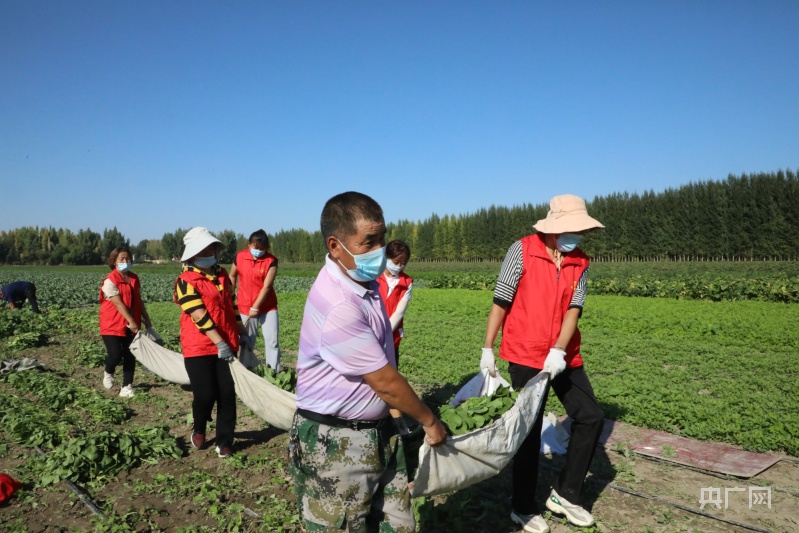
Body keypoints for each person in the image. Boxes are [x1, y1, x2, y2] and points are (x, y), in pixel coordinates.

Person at [289, 191, 447, 533]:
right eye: (368, 242)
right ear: (335, 246)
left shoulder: (364, 281)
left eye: (382, 238)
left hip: (377, 433)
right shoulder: (339, 304)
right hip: (335, 444)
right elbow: (386, 382)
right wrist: (430, 421)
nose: (379, 251)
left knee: (397, 524)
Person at [480, 194, 605, 533]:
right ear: (555, 227)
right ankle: (522, 507)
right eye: (573, 228)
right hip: (524, 352)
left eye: (581, 229)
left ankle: (566, 494)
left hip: (563, 355)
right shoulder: (521, 250)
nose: (577, 236)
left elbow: (574, 309)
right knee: (529, 431)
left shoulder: (580, 262)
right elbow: (502, 298)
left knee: (590, 416)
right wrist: (488, 347)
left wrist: (560, 350)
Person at [174, 227, 245, 459]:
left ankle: (224, 441)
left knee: (227, 394)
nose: (209, 252)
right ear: (193, 255)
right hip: (199, 347)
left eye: (211, 248)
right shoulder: (185, 281)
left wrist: (241, 330)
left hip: (227, 343)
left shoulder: (222, 274)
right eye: (204, 249)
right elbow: (198, 315)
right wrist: (219, 343)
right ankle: (199, 426)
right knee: (205, 394)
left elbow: (231, 304)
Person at [99, 247, 153, 398]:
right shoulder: (110, 281)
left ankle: (127, 386)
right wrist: (131, 320)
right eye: (121, 259)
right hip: (112, 323)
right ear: (114, 262)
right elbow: (118, 303)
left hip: (131, 323)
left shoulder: (134, 278)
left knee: (130, 354)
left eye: (127, 258)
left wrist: (146, 318)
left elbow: (138, 300)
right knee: (115, 355)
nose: (125, 261)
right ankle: (109, 371)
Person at [229, 229, 280, 370]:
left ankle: (273, 372)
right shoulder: (239, 257)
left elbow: (267, 287)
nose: (258, 251)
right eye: (255, 247)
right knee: (246, 341)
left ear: (267, 248)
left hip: (267, 307)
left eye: (262, 249)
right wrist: (230, 291)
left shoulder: (271, 261)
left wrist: (255, 307)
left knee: (272, 341)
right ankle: (247, 370)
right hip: (244, 305)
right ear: (249, 244)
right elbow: (232, 275)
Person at [376, 240, 413, 427]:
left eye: (403, 263)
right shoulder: (373, 277)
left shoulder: (407, 283)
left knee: (390, 377)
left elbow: (399, 311)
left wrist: (383, 334)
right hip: (369, 337)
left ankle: (396, 421)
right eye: (396, 261)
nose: (399, 266)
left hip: (391, 338)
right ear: (387, 258)